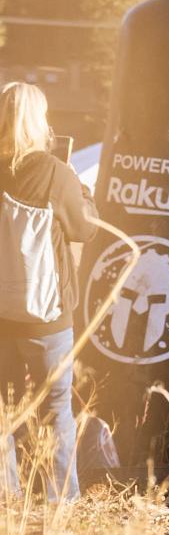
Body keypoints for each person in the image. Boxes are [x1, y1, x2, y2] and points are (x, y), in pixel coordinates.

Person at [0, 82, 99, 502]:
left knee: (3, 408)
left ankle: (7, 496)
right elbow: (84, 229)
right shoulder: (57, 173)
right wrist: (83, 192)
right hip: (47, 312)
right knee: (56, 408)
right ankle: (61, 499)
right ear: (38, 121)